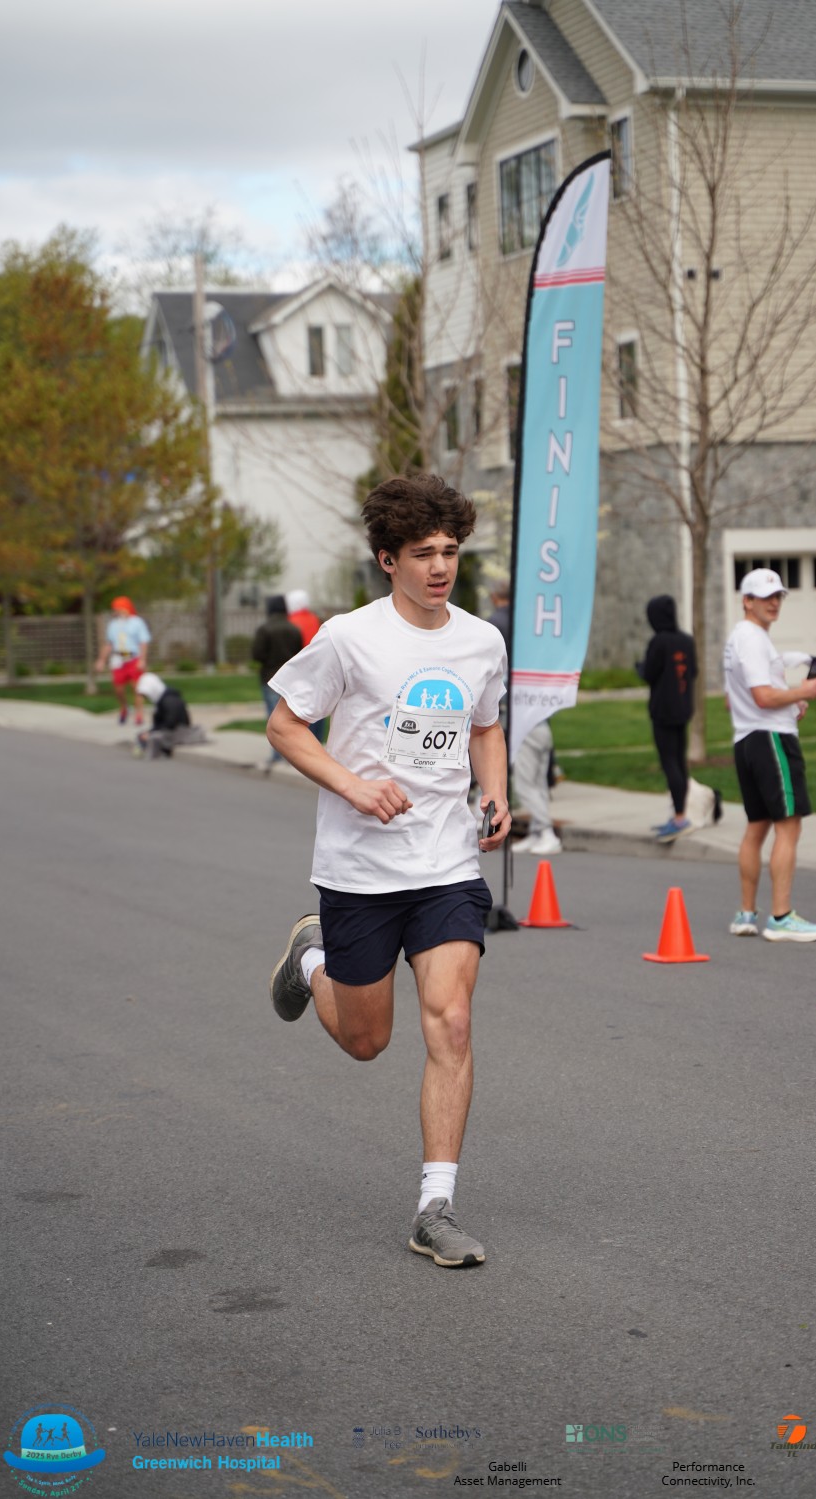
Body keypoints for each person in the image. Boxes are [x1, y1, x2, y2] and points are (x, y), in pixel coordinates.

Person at [265, 474, 510, 1268]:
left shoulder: (482, 641)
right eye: (422, 553)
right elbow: (285, 725)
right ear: (387, 560)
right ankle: (312, 959)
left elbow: (485, 726)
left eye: (450, 551)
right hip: (360, 870)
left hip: (445, 861)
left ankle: (435, 1207)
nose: (440, 567)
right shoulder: (349, 638)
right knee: (367, 1040)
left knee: (453, 1021)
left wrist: (495, 792)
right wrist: (355, 786)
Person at [723, 567, 816, 941]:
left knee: (757, 827)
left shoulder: (739, 638)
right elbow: (763, 697)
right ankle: (781, 918)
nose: (773, 603)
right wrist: (803, 693)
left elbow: (735, 698)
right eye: (765, 597)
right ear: (747, 601)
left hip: (747, 739)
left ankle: (745, 913)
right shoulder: (752, 638)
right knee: (789, 825)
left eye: (778, 596)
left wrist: (790, 702)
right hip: (770, 739)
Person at [487, 580, 562, 856]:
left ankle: (546, 832)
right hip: (538, 719)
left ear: (494, 596)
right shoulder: (526, 626)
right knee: (537, 781)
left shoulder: (495, 627)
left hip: (525, 721)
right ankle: (538, 832)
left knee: (525, 784)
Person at [639, 594, 698, 842]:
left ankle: (680, 818)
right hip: (683, 708)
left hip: (663, 711)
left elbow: (649, 673)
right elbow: (693, 671)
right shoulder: (687, 640)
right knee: (680, 760)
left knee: (669, 762)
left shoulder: (659, 642)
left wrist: (640, 668)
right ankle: (679, 813)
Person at [251, 597, 302, 767]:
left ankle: (277, 755)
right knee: (291, 719)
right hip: (290, 678)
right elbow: (300, 652)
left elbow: (257, 654)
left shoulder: (265, 629)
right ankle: (293, 755)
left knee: (274, 718)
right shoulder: (294, 629)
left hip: (271, 677)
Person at [93, 596, 151, 725]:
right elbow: (109, 644)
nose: (117, 612)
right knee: (118, 689)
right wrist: (101, 660)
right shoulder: (113, 625)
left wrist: (142, 659)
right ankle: (124, 707)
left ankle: (139, 714)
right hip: (118, 659)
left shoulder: (137, 622)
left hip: (133, 658)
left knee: (137, 688)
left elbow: (143, 642)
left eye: (119, 609)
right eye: (115, 609)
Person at [286, 588, 327, 745]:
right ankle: (317, 741)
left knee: (300, 711)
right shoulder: (315, 619)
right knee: (318, 709)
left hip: (301, 671)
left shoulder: (291, 621)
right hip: (319, 669)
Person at [133, 672, 208, 759]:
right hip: (171, 729)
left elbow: (170, 723)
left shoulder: (169, 700)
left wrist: (151, 733)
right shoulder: (161, 700)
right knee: (143, 735)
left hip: (178, 731)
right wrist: (150, 732)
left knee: (154, 737)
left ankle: (155, 753)